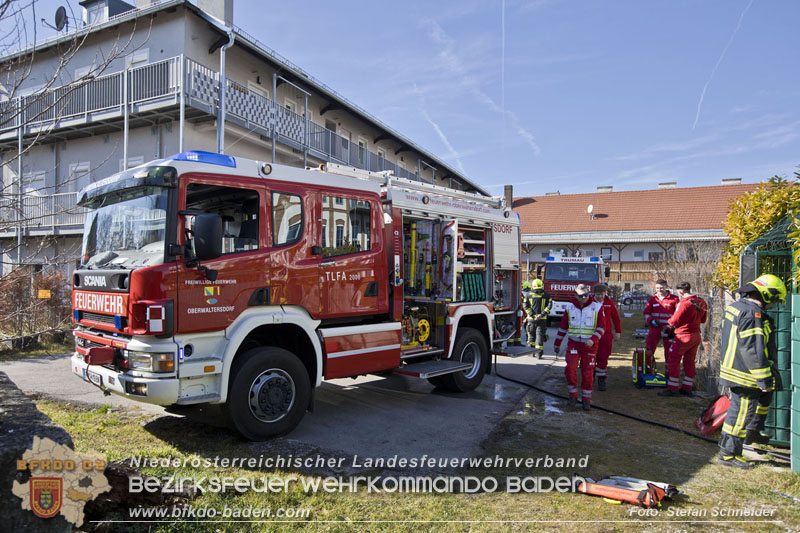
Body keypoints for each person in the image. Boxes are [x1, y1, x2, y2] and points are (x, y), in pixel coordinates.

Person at [717, 274, 786, 469]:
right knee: (740, 415)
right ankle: (728, 454)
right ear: (766, 294)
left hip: (735, 369)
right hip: (745, 374)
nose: (773, 305)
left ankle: (753, 432)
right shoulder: (752, 314)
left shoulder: (738, 307)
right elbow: (752, 349)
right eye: (774, 300)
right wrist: (763, 379)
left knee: (752, 407)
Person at [553, 284, 606, 410]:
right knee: (570, 369)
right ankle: (573, 395)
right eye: (581, 296)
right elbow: (563, 327)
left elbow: (601, 327)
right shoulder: (570, 307)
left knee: (588, 372)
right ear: (576, 296)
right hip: (574, 343)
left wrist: (593, 340)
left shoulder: (597, 307)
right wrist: (557, 343)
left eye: (586, 295)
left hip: (589, 346)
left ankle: (586, 399)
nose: (584, 298)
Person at [658, 282, 707, 397]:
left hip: (683, 336)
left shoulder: (684, 303)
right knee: (689, 361)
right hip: (696, 335)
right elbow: (703, 320)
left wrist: (668, 324)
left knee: (673, 359)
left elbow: (674, 320)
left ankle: (672, 388)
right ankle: (687, 387)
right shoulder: (702, 302)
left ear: (680, 291)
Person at [643, 280, 680, 378]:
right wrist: (651, 321)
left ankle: (669, 374)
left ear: (666, 287)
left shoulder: (674, 299)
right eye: (657, 288)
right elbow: (646, 313)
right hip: (655, 328)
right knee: (649, 350)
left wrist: (672, 325)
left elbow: (678, 314)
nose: (659, 290)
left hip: (668, 329)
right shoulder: (652, 299)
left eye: (661, 288)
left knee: (669, 352)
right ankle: (647, 371)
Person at [592, 284, 621, 391]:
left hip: (606, 334)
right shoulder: (590, 302)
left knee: (603, 357)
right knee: (591, 356)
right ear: (594, 294)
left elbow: (616, 317)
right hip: (592, 333)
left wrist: (618, 331)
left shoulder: (609, 303)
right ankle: (591, 375)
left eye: (602, 294)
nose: (600, 296)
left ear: (605, 293)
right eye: (598, 294)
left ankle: (601, 378)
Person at [523, 279, 552, 357]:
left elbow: (525, 306)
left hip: (531, 319)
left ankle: (530, 353)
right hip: (542, 319)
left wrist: (532, 315)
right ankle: (539, 354)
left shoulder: (528, 294)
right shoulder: (546, 295)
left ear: (533, 286)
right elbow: (549, 306)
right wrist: (541, 315)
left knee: (531, 336)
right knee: (540, 336)